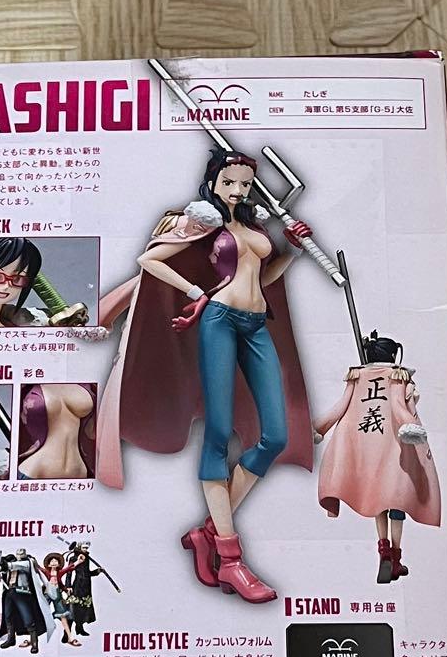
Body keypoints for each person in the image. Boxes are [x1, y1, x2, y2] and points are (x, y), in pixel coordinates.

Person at [96, 148, 314, 603]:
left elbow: (264, 277)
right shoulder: (202, 222)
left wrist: (292, 251)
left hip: (256, 324)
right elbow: (151, 261)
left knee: (274, 435)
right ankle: (230, 559)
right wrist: (195, 290)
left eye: (244, 184)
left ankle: (207, 532)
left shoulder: (254, 227)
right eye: (229, 182)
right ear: (213, 182)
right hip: (219, 320)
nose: (237, 190)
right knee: (218, 431)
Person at [312, 332, 441, 583]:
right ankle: (396, 557)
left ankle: (383, 552)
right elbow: (400, 407)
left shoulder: (356, 376)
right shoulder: (398, 376)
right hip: (395, 449)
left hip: (366, 451)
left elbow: (340, 407)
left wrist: (320, 427)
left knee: (377, 499)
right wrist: (411, 412)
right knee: (397, 501)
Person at [36, 553, 83, 646]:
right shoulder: (46, 572)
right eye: (52, 561)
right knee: (39, 612)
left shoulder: (59, 573)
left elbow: (68, 568)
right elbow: (38, 568)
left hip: (57, 594)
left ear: (59, 564)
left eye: (56, 561)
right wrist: (33, 561)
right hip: (48, 594)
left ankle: (70, 637)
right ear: (48, 564)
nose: (54, 562)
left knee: (63, 615)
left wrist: (78, 561)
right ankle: (32, 637)